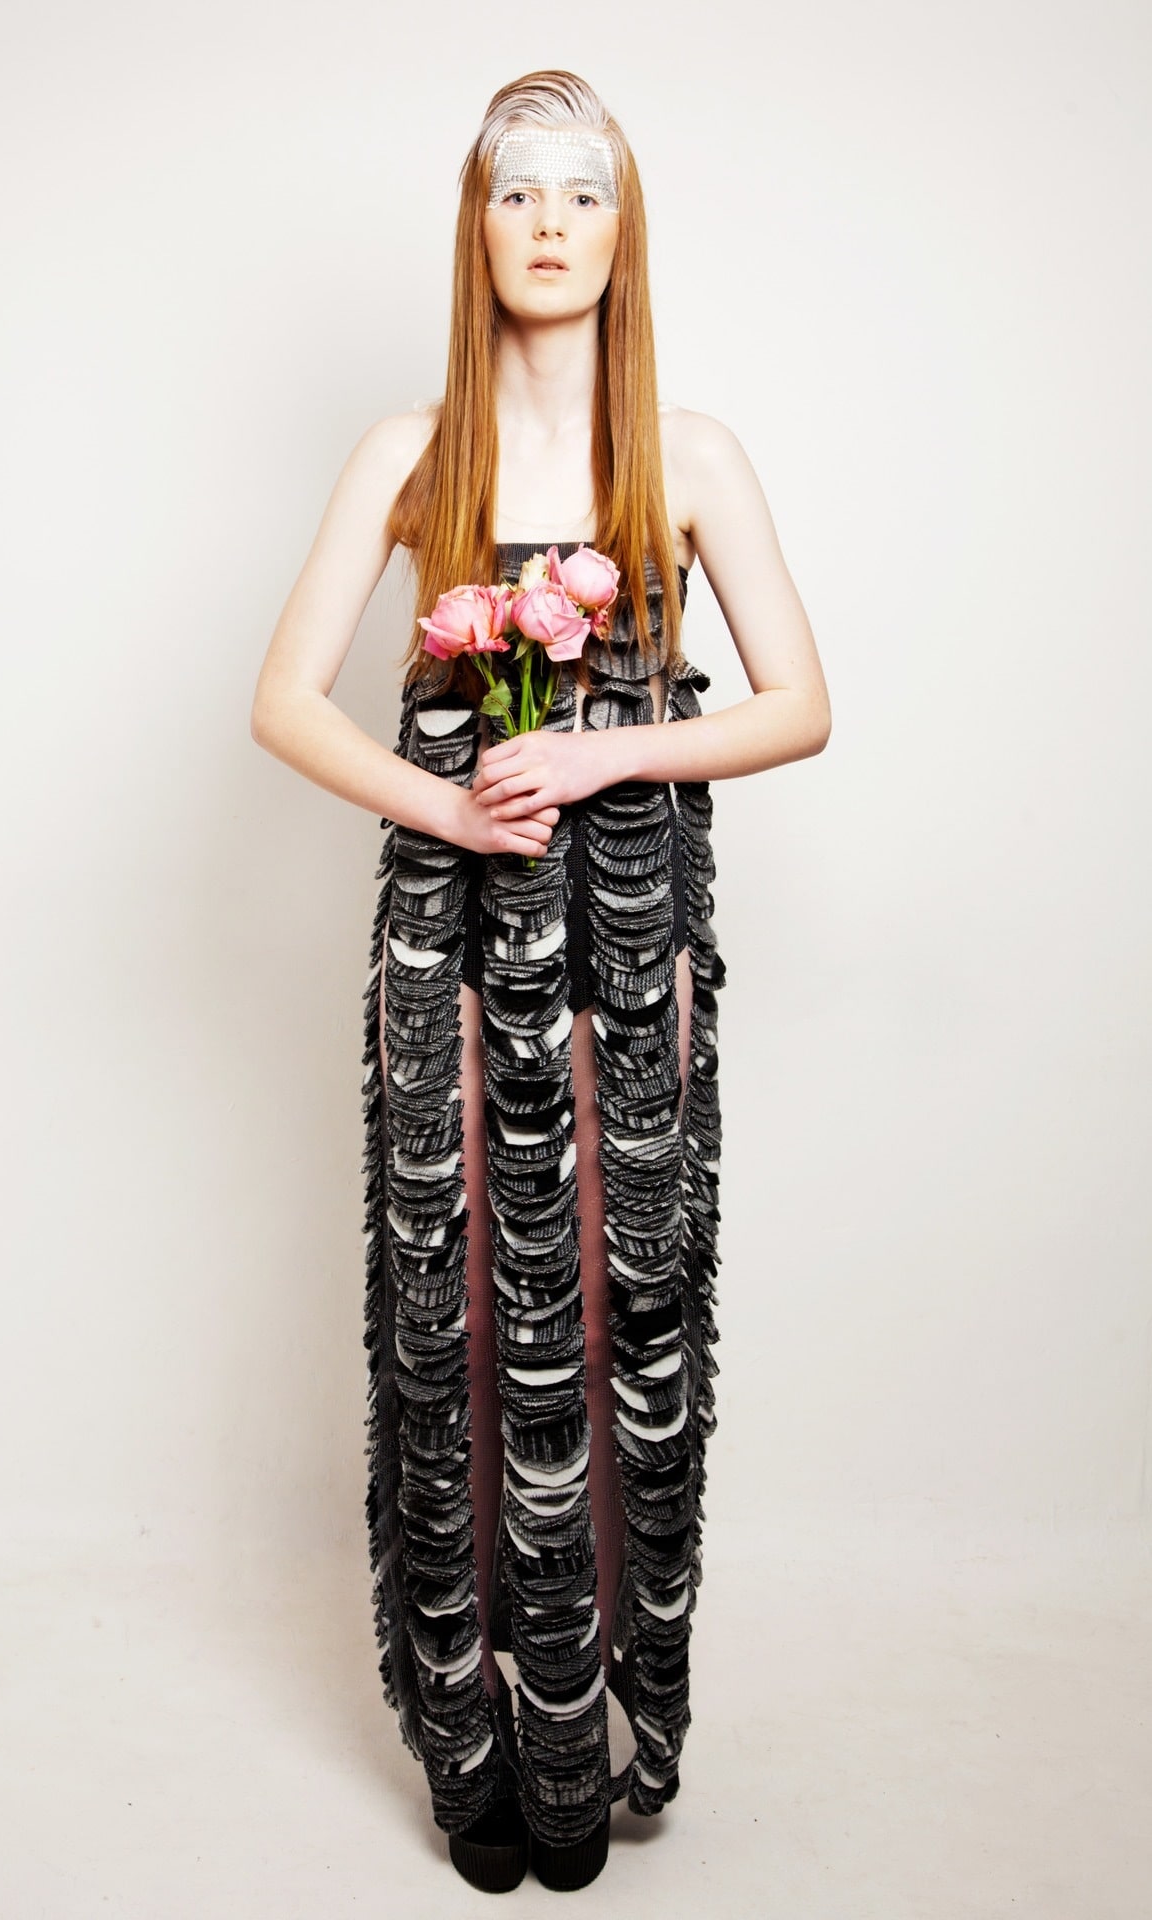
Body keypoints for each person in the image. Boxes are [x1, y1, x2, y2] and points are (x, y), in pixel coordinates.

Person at [251, 68, 830, 1895]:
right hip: (445, 947)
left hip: (630, 955)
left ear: (624, 229)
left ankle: (592, 1740)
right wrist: (446, 802)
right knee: (456, 1330)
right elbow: (280, 703)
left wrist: (603, 753)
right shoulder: (407, 454)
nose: (552, 224)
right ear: (476, 226)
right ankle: (471, 1744)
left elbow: (801, 707)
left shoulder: (693, 456)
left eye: (584, 193)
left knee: (613, 1313)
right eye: (517, 193)